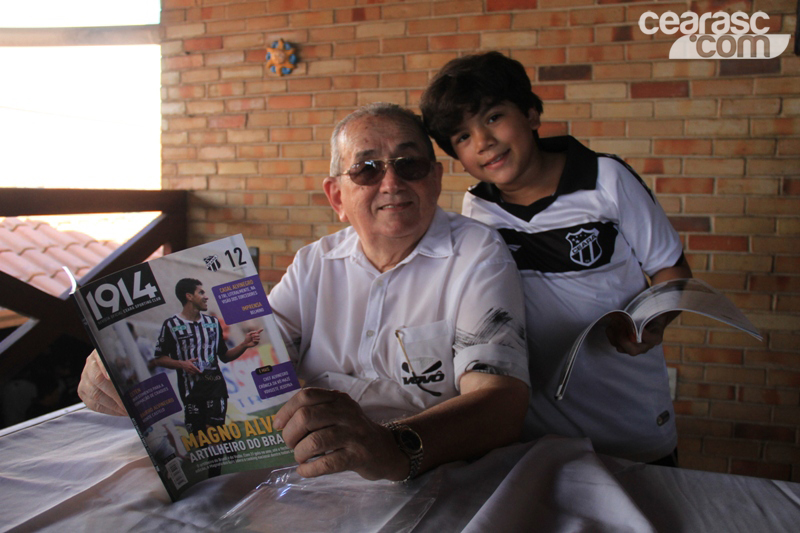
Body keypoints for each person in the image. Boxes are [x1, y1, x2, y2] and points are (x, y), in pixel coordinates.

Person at [79, 102, 531, 484]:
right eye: (367, 168)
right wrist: (132, 379)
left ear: (433, 179)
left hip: (431, 470)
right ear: (337, 197)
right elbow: (255, 361)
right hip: (308, 469)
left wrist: (391, 446)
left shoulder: (476, 252)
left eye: (408, 165)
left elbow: (501, 404)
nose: (391, 183)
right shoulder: (314, 262)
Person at [420, 51, 693, 465]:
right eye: (462, 136)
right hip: (535, 429)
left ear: (531, 114)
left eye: (493, 117)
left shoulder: (606, 179)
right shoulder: (477, 208)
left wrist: (651, 323)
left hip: (629, 415)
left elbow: (670, 269)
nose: (483, 142)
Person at [152, 278, 262, 476]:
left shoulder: (212, 323)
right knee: (197, 435)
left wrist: (244, 344)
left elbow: (225, 357)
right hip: (190, 390)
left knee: (213, 431)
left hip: (215, 385)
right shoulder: (171, 325)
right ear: (189, 296)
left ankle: (214, 477)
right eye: (201, 292)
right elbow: (159, 359)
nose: (206, 296)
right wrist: (182, 364)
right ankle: (227, 439)